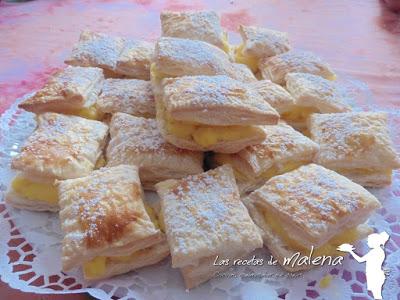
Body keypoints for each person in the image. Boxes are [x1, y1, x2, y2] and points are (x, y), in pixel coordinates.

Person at [337, 232, 389, 300]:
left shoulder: (375, 252)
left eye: (369, 241)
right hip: (375, 274)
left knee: (377, 295)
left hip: (375, 275)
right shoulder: (378, 251)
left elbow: (360, 260)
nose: (367, 243)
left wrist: (350, 251)